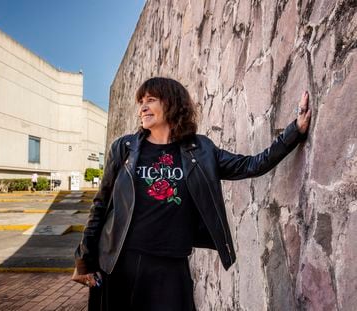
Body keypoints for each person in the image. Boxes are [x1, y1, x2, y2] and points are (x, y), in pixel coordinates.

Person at [72, 77, 311, 310]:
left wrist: (295, 131)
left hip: (171, 265)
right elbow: (101, 204)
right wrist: (84, 259)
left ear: (172, 104)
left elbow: (252, 165)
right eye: (140, 102)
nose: (142, 107)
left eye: (151, 99)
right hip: (120, 261)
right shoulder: (124, 148)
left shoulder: (201, 150)